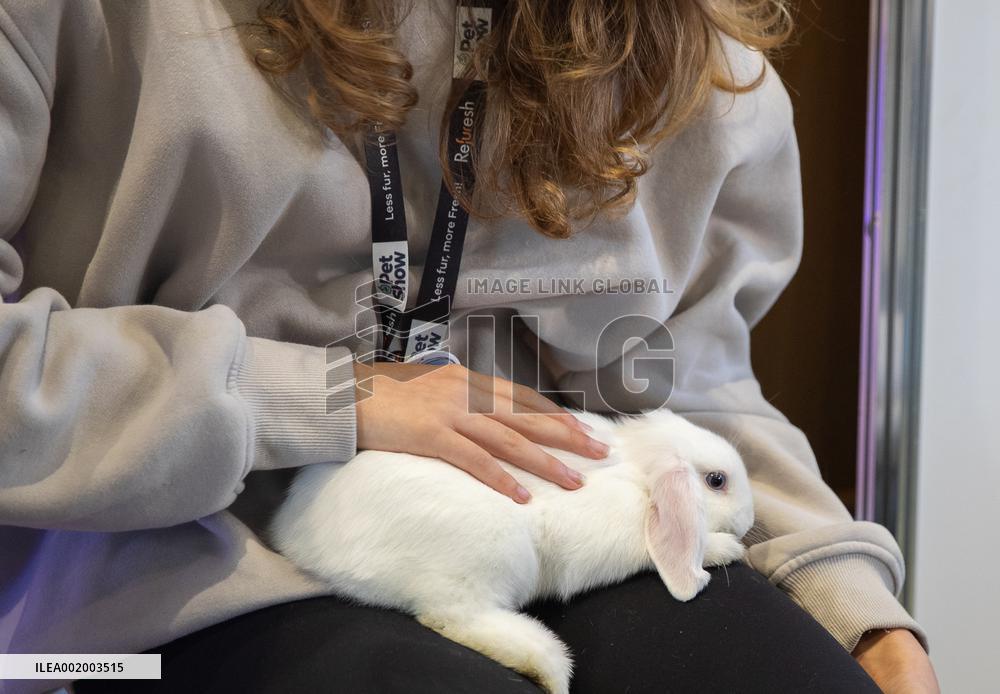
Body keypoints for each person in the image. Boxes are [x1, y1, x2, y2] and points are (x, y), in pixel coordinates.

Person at [0, 0, 939, 692]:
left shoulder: (689, 56)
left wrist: (847, 600)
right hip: (150, 574)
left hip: (573, 533)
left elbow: (687, 385)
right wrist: (320, 398)